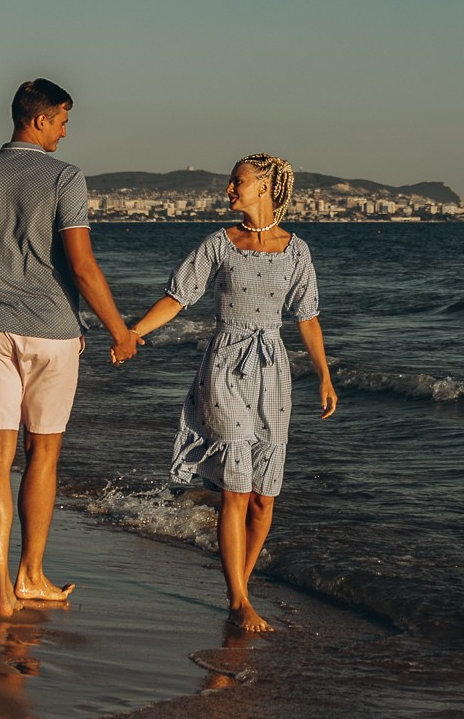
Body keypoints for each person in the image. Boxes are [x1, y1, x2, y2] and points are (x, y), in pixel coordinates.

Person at [125, 154, 337, 633]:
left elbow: (308, 318)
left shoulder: (296, 251)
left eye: (237, 181)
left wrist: (324, 375)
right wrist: (134, 333)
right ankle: (238, 600)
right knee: (237, 487)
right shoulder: (219, 244)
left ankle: (241, 586)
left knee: (265, 497)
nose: (229, 189)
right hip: (223, 367)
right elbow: (178, 297)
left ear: (264, 187)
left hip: (272, 371)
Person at [0, 79, 141, 617]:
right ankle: (30, 574)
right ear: (39, 120)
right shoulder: (64, 177)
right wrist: (120, 331)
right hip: (51, 333)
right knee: (44, 452)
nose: (64, 132)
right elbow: (82, 266)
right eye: (61, 121)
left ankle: (1, 588)